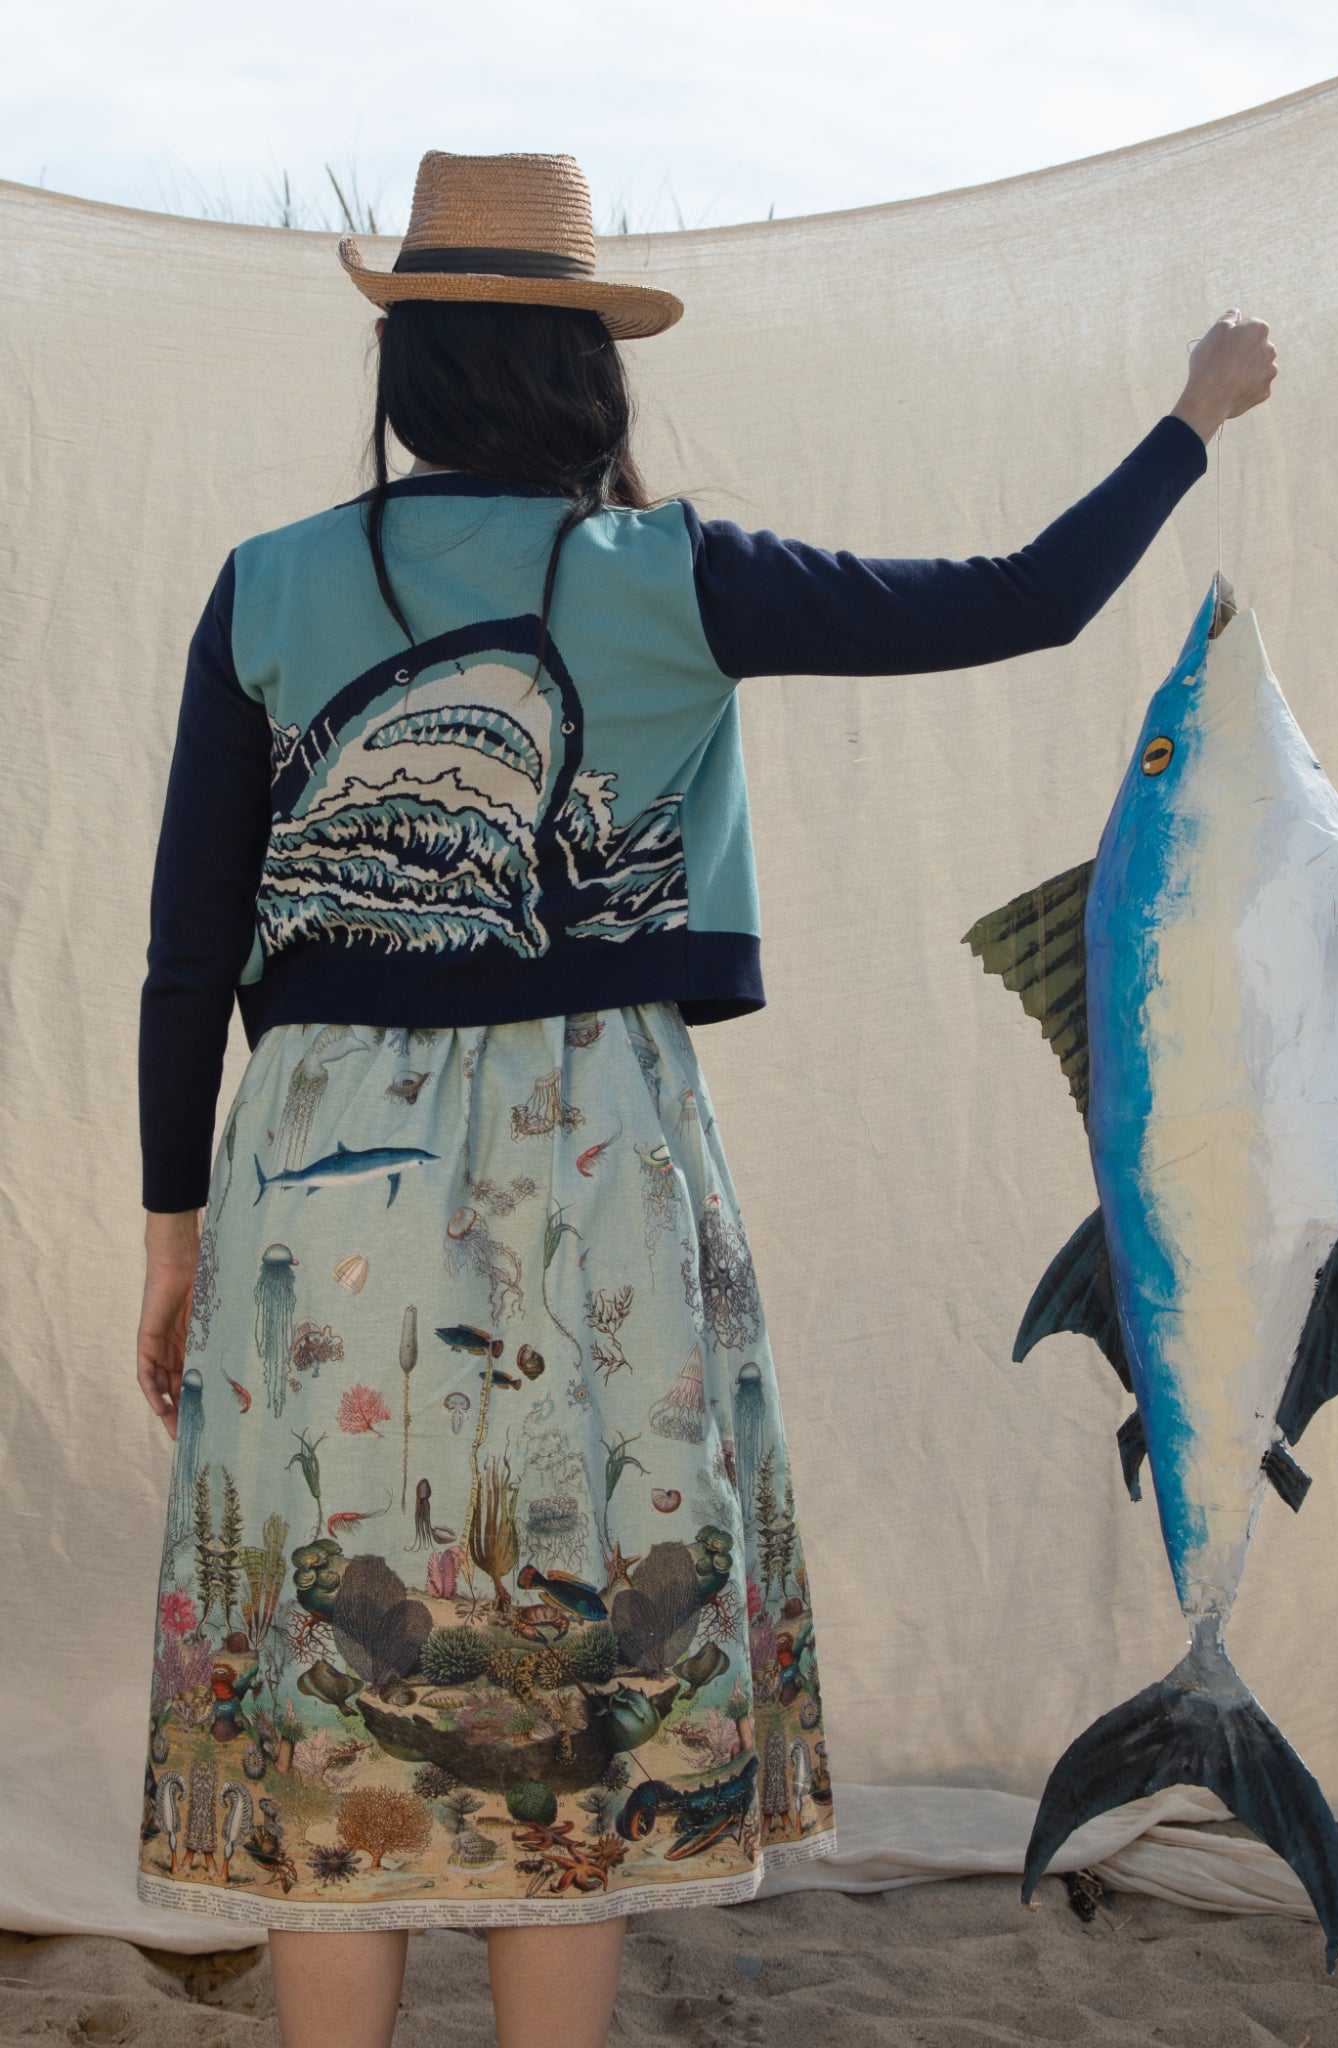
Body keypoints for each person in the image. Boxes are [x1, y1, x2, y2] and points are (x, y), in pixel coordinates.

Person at [133, 148, 1275, 2048]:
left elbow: (187, 952)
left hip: (316, 1202)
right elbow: (1021, 601)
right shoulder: (670, 575)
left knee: (328, 1682)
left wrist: (173, 1235)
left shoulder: (267, 584)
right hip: (599, 1174)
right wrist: (1189, 419)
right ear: (590, 371)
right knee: (577, 1653)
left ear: (407, 370)